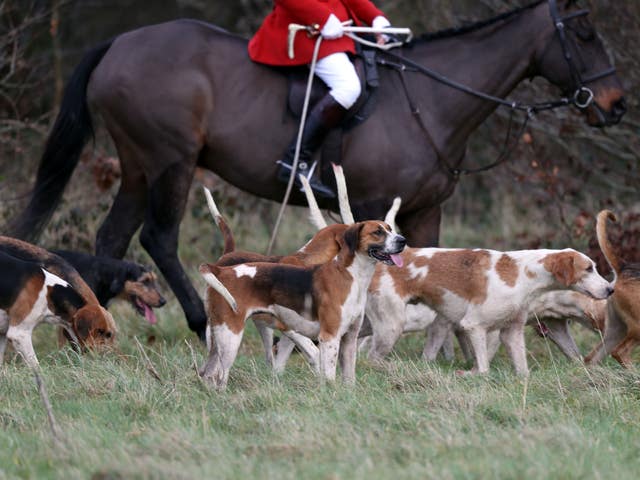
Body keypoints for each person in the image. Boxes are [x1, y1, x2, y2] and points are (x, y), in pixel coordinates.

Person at [248, 0, 391, 198]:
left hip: (340, 33)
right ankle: (296, 161)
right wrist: (322, 19)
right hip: (305, 32)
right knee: (348, 87)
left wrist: (375, 17)